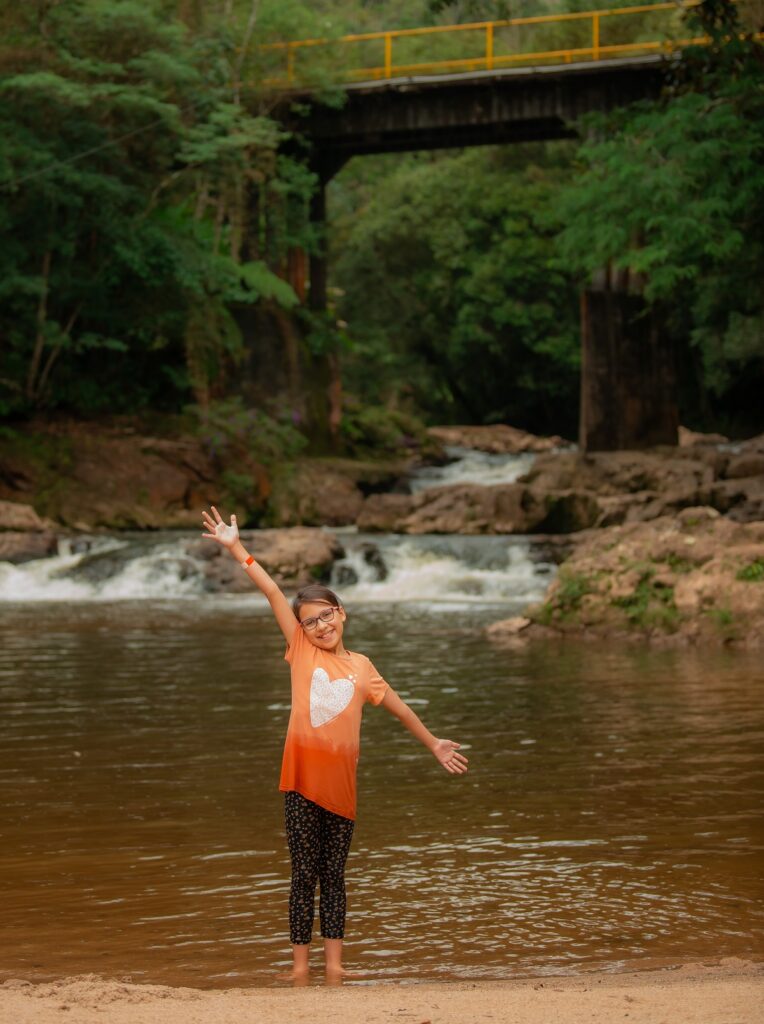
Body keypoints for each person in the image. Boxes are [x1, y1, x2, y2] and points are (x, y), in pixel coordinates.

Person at [201, 505, 469, 981]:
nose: (321, 626)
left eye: (326, 616)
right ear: (300, 630)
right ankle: (300, 968)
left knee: (335, 878)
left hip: (342, 791)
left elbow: (400, 708)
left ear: (341, 613)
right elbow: (271, 593)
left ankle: (336, 966)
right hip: (302, 784)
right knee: (304, 876)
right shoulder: (299, 649)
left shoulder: (363, 668)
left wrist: (433, 745)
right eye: (311, 622)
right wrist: (236, 547)